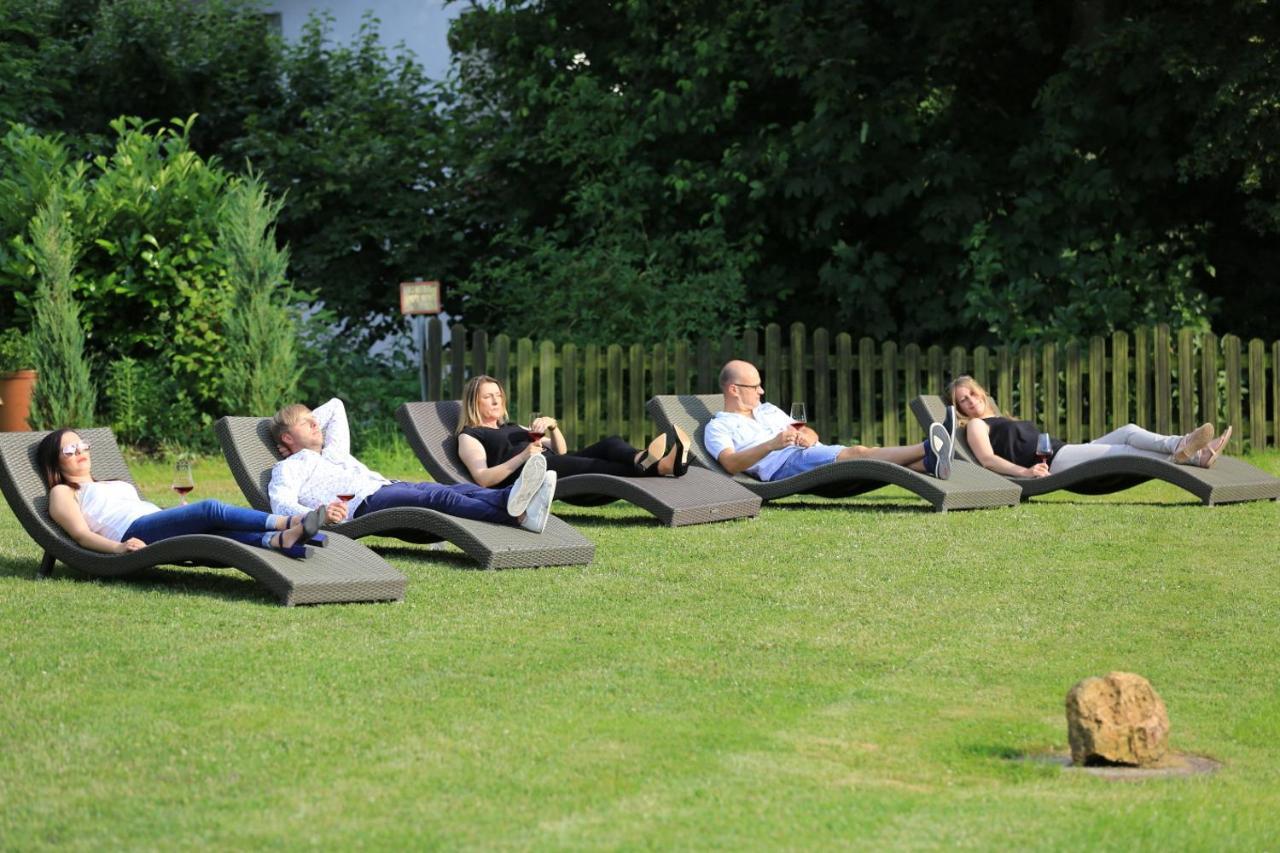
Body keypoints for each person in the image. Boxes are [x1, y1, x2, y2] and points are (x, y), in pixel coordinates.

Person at [269, 397, 555, 534]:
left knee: (459, 490)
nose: (316, 423)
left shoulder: (333, 452)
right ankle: (514, 515)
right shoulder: (290, 467)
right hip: (363, 503)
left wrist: (301, 426)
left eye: (313, 419)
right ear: (286, 437)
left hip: (385, 486)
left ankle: (513, 497)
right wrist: (319, 515)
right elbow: (280, 505)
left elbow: (335, 406)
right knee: (438, 498)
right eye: (306, 424)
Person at [39, 428, 323, 558]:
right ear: (55, 460)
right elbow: (79, 535)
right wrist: (118, 548)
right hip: (131, 533)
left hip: (155, 520)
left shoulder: (107, 482)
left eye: (81, 445)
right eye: (69, 450)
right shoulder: (63, 492)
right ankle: (288, 522)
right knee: (210, 509)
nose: (79, 452)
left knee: (215, 531)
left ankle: (278, 540)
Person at [705, 360, 954, 481]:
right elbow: (730, 463)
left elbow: (806, 431)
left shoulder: (766, 409)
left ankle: (929, 463)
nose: (761, 392)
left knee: (862, 458)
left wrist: (808, 436)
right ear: (734, 389)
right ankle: (928, 446)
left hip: (806, 453)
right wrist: (771, 444)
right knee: (858, 452)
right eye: (755, 386)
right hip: (782, 466)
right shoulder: (719, 426)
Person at [944, 375, 1233, 477]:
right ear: (959, 410)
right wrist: (1026, 472)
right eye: (962, 401)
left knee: (1129, 431)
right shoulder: (975, 427)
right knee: (1123, 449)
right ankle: (1186, 453)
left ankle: (1191, 451)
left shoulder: (1001, 419)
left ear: (981, 391)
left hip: (1064, 451)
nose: (969, 401)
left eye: (971, 393)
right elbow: (987, 459)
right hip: (1055, 463)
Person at [454, 375, 690, 488]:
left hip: (551, 463)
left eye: (498, 395)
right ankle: (661, 466)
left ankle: (642, 459)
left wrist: (553, 426)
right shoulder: (470, 435)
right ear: (474, 402)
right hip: (531, 475)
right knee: (595, 468)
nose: (496, 401)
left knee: (610, 443)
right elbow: (483, 479)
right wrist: (524, 456)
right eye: (488, 397)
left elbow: (560, 450)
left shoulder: (512, 426)